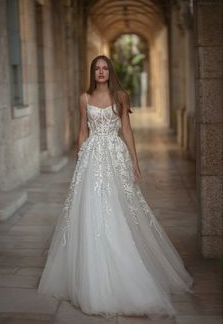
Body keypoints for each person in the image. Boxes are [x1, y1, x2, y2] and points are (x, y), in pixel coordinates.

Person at [38, 55, 194, 320]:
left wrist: (134, 161)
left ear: (110, 72)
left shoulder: (121, 95)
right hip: (91, 159)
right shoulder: (84, 98)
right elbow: (82, 131)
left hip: (115, 157)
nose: (101, 72)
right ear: (92, 73)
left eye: (105, 68)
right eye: (97, 69)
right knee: (90, 211)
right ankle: (93, 279)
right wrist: (79, 160)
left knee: (119, 209)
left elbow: (127, 129)